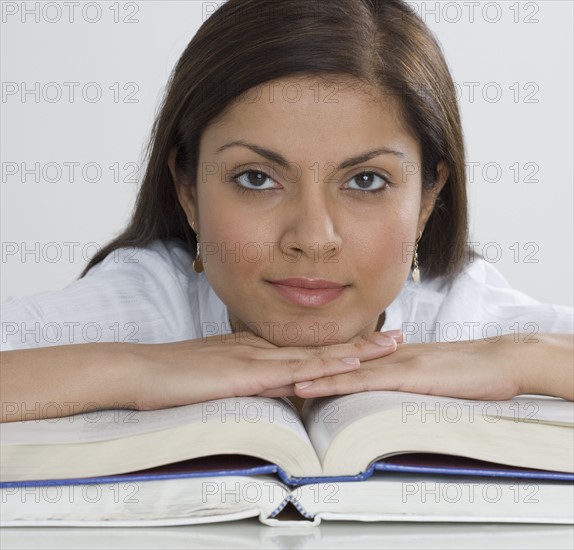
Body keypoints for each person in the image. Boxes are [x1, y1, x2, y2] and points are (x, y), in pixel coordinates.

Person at [1, 0, 572, 423]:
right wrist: (133, 371)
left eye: (366, 181)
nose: (313, 239)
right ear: (188, 190)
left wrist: (527, 361)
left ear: (427, 197)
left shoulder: (464, 312)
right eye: (257, 179)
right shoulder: (144, 298)